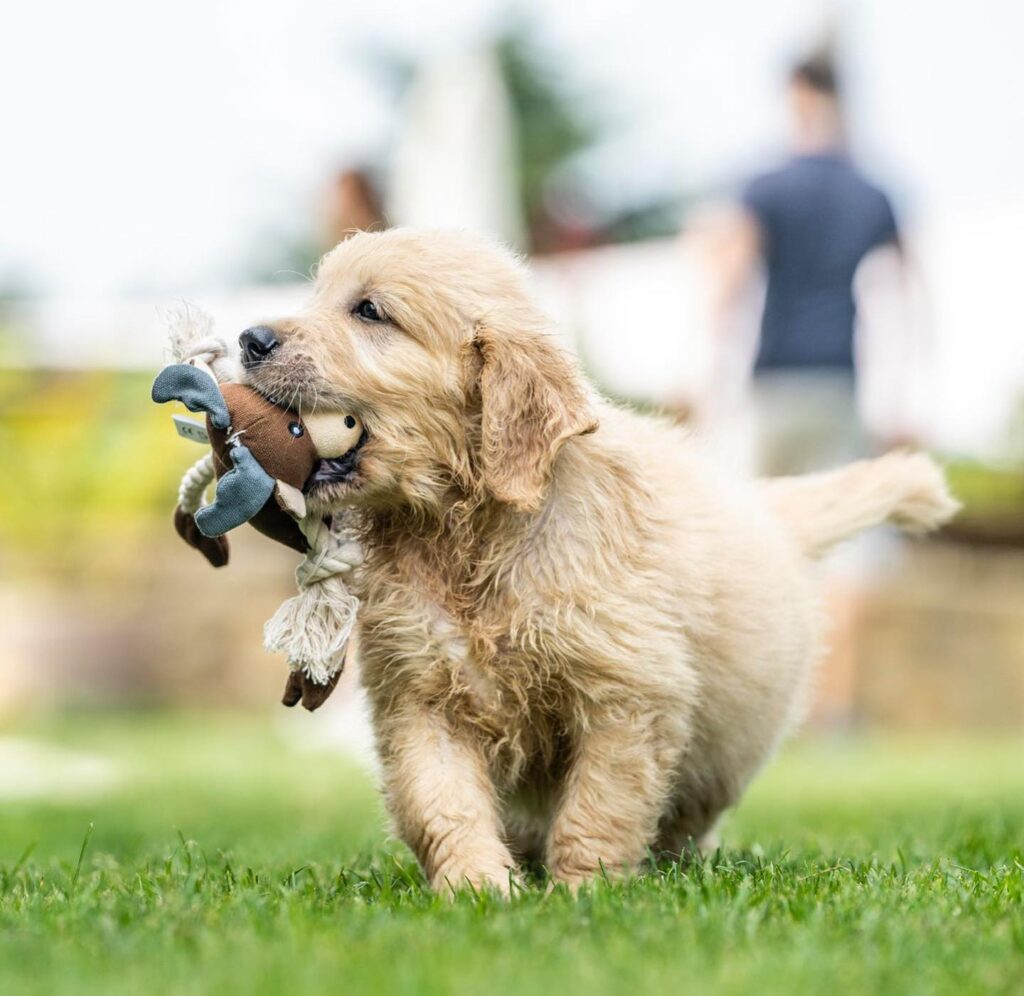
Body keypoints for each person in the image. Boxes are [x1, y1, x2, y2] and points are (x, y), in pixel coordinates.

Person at [699, 53, 905, 477]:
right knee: (837, 523)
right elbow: (905, 293)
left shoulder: (767, 189)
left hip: (777, 380)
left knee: (764, 522)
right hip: (840, 382)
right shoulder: (874, 194)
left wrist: (707, 377)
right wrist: (903, 401)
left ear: (799, 97)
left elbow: (729, 287)